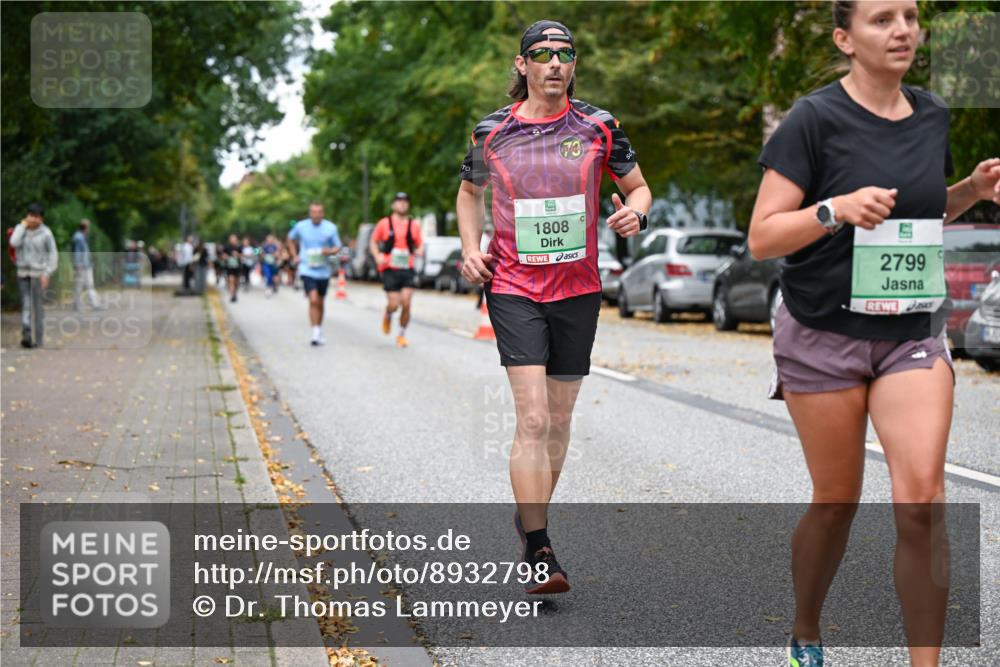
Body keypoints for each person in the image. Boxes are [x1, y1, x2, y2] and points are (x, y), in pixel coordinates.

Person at [747, 2, 1000, 665]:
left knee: (922, 500)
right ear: (845, 38)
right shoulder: (813, 119)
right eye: (882, 19)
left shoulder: (933, 115)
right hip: (822, 331)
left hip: (910, 332)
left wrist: (971, 190)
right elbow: (763, 236)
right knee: (836, 501)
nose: (903, 30)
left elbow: (920, 211)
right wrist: (834, 209)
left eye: (910, 16)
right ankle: (806, 627)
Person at [456, 20, 650, 594]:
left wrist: (636, 213)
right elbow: (469, 194)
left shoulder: (599, 126)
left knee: (560, 421)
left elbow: (639, 188)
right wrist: (470, 249)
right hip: (514, 286)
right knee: (535, 418)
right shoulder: (492, 131)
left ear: (574, 64)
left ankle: (530, 517)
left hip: (578, 288)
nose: (554, 63)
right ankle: (540, 548)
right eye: (542, 54)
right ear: (523, 65)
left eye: (564, 54)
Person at [370, 192, 424, 348]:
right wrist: (377, 256)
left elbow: (419, 244)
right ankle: (388, 313)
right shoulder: (384, 223)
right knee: (394, 304)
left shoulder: (413, 225)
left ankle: (401, 334)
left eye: (405, 201)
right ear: (393, 204)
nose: (402, 204)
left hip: (407, 268)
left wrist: (420, 250)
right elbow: (373, 242)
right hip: (389, 268)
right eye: (399, 201)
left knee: (406, 303)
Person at [288, 202, 342, 346]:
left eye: (319, 212)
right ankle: (315, 332)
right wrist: (294, 255)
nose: (316, 215)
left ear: (323, 213)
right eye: (313, 212)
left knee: (321, 302)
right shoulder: (301, 226)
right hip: (307, 268)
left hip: (324, 270)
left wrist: (329, 251)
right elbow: (290, 239)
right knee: (313, 299)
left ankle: (319, 328)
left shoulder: (331, 228)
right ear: (309, 213)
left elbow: (338, 247)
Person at [10, 203, 59, 348]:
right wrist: (22, 227)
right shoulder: (20, 229)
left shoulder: (46, 233)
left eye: (36, 216)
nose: (32, 219)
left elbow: (53, 254)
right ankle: (27, 335)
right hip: (23, 273)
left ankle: (38, 338)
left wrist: (47, 273)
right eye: (30, 215)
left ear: (41, 219)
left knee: (38, 307)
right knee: (26, 304)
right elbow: (14, 242)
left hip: (39, 274)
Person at [71, 218, 101, 310]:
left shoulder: (82, 236)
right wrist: (78, 265)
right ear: (86, 227)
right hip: (82, 266)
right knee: (79, 285)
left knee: (88, 285)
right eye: (88, 227)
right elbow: (77, 252)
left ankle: (94, 304)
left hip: (86, 265)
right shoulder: (78, 238)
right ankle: (78, 304)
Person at [220, 234, 243, 303]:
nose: (233, 240)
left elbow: (243, 256)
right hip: (229, 267)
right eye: (232, 239)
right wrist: (225, 256)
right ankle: (232, 295)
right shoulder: (226, 247)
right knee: (231, 280)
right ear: (229, 240)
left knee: (236, 282)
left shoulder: (239, 247)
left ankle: (235, 294)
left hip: (237, 267)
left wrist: (237, 254)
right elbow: (222, 255)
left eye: (234, 239)